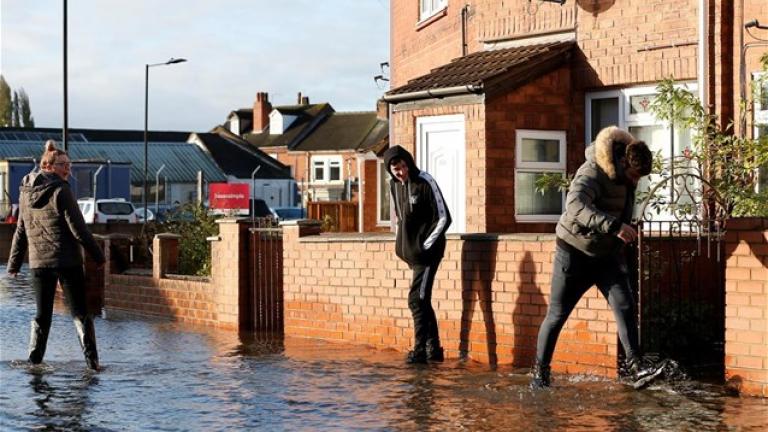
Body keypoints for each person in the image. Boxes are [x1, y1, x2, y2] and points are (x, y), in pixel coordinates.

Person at [530, 126, 656, 388]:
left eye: (639, 179)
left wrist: (621, 230)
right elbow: (575, 207)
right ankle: (540, 373)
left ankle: (636, 367)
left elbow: (622, 208)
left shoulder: (627, 178)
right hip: (573, 251)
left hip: (607, 254)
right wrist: (614, 226)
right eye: (633, 176)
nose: (635, 182)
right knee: (557, 314)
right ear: (622, 162)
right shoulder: (591, 171)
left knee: (625, 306)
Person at [7, 140, 106, 370]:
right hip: (67, 260)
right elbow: (79, 229)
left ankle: (34, 363)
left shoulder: (25, 192)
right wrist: (99, 257)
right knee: (80, 313)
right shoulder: (62, 190)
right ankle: (92, 364)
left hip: (39, 263)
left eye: (69, 165)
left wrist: (14, 264)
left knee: (42, 315)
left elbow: (21, 230)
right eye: (63, 165)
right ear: (49, 166)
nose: (68, 169)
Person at [383, 145, 452, 364]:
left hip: (428, 254)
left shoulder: (424, 181)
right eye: (396, 169)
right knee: (422, 300)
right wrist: (401, 245)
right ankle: (434, 350)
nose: (402, 172)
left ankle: (420, 350)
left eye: (403, 166)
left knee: (416, 300)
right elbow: (400, 218)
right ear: (391, 171)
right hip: (412, 255)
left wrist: (425, 246)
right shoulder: (394, 186)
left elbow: (444, 218)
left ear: (409, 163)